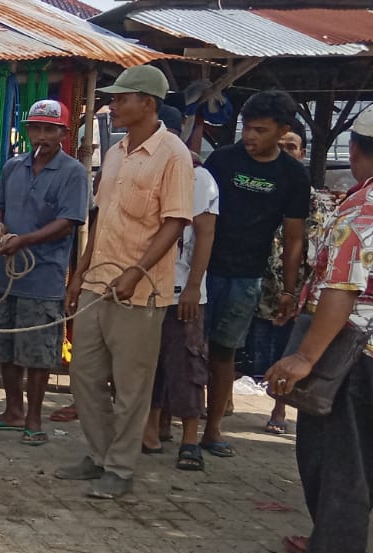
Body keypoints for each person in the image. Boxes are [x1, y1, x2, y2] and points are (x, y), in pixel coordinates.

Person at [57, 65, 194, 500]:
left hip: (142, 288)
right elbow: (102, 218)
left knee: (132, 383)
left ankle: (119, 467)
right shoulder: (115, 153)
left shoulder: (173, 155)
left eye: (121, 99)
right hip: (99, 281)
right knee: (84, 373)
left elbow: (175, 223)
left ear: (147, 104)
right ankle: (99, 455)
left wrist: (137, 270)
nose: (112, 105)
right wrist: (79, 273)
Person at [265, 106, 373, 553]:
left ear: (355, 151)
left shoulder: (360, 210)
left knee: (334, 459)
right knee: (358, 460)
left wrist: (305, 358)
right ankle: (335, 540)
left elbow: (342, 290)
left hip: (351, 349)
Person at [198, 90, 310, 458]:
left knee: (223, 353)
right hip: (202, 269)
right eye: (247, 128)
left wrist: (288, 291)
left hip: (247, 277)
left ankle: (212, 429)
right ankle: (168, 423)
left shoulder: (293, 175)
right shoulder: (222, 161)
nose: (250, 136)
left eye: (260, 130)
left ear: (283, 130)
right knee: (187, 348)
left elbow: (294, 238)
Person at [0, 100, 90, 446]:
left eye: (49, 130)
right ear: (27, 131)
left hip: (45, 274)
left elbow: (68, 223)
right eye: (36, 128)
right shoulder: (13, 166)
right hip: (5, 273)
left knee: (37, 350)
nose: (42, 136)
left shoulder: (73, 173)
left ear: (63, 134)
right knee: (5, 344)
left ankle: (34, 418)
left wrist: (23, 241)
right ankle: (12, 410)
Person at [143, 152, 219, 471]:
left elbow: (205, 234)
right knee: (148, 364)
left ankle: (190, 439)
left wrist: (193, 285)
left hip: (182, 287)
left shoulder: (198, 178)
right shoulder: (143, 169)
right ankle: (150, 431)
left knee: (187, 365)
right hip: (145, 287)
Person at [258, 131, 336, 435]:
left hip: (296, 288)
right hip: (259, 282)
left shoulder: (314, 200)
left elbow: (316, 248)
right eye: (280, 147)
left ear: (302, 153)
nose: (285, 152)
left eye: (291, 147)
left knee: (287, 348)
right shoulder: (262, 189)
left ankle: (279, 408)